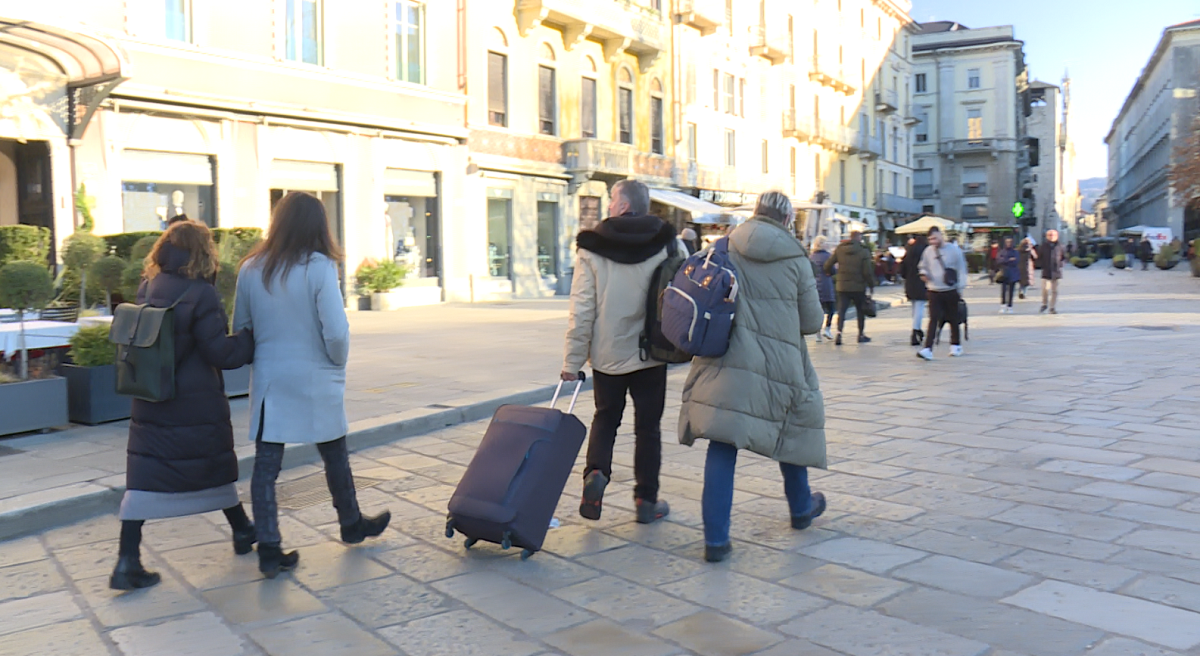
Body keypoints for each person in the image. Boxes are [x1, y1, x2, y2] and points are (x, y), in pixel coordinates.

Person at [235, 192, 390, 579]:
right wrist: (337, 362)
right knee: (334, 453)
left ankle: (269, 546)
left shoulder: (251, 268)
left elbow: (242, 327)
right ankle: (350, 522)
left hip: (272, 376)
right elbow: (335, 331)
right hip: (316, 374)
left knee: (266, 467)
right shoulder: (320, 267)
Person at [677, 191, 827, 563]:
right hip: (781, 364)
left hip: (727, 358)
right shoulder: (795, 258)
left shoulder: (727, 245)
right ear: (788, 220)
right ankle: (801, 509)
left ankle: (716, 540)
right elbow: (811, 322)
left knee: (722, 442)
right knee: (791, 432)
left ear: (756, 214)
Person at [110, 222, 256, 590]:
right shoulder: (201, 294)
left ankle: (127, 560)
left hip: (152, 400)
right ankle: (242, 530)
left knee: (145, 478)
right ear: (202, 252)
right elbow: (219, 352)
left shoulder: (149, 287)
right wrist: (249, 339)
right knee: (210, 465)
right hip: (194, 404)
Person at [563, 179, 674, 525]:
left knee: (606, 419)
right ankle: (645, 500)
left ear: (625, 206)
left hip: (609, 355)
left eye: (612, 199)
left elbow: (582, 307)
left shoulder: (593, 247)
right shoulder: (667, 244)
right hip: (651, 353)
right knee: (648, 429)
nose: (609, 206)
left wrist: (572, 359)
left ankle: (595, 477)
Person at [917, 226, 968, 361]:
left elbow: (962, 269)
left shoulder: (954, 250)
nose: (933, 242)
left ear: (940, 235)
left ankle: (955, 345)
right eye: (930, 239)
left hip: (951, 290)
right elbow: (923, 266)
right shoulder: (928, 251)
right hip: (933, 290)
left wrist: (961, 288)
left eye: (934, 238)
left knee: (953, 318)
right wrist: (924, 274)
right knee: (933, 319)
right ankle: (928, 348)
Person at [822, 231, 874, 345]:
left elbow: (827, 265)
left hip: (842, 286)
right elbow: (867, 271)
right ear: (859, 238)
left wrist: (830, 273)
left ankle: (839, 334)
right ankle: (860, 335)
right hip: (858, 286)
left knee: (842, 311)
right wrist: (871, 284)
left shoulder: (840, 249)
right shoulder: (863, 251)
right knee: (860, 311)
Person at [899, 235, 928, 345]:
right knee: (920, 307)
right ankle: (916, 331)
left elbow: (902, 269)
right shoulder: (927, 251)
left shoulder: (909, 252)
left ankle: (917, 328)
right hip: (922, 282)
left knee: (915, 306)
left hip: (910, 283)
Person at [810, 235, 836, 341]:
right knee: (831, 308)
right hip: (826, 284)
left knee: (818, 310)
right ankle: (827, 329)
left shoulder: (811, 257)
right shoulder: (828, 256)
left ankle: (817, 333)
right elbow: (833, 270)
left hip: (815, 285)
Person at [1039, 229, 1066, 314]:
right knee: (1045, 289)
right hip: (1046, 271)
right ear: (1047, 236)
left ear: (1057, 236)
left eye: (1053, 235)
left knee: (1054, 291)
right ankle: (1044, 304)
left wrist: (1061, 264)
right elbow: (1039, 257)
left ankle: (1052, 307)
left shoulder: (1060, 246)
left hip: (1056, 272)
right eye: (1049, 235)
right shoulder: (1043, 246)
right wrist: (1041, 265)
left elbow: (1064, 257)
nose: (1051, 237)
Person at [996, 236, 1020, 314]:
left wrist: (1005, 260)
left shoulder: (1015, 252)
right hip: (1004, 273)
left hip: (1013, 273)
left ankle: (1010, 306)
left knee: (1011, 291)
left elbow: (1016, 261)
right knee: (1003, 290)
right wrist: (1009, 260)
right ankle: (1003, 305)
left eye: (1010, 242)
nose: (1009, 243)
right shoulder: (1002, 251)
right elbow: (999, 260)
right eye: (1007, 242)